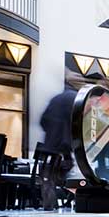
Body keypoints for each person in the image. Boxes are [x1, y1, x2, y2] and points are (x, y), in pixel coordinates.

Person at [40, 71, 79, 209]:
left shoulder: (57, 98)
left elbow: (43, 120)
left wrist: (52, 132)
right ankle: (71, 202)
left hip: (51, 145)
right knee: (68, 175)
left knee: (49, 177)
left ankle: (50, 204)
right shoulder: (76, 99)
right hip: (66, 146)